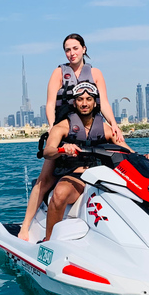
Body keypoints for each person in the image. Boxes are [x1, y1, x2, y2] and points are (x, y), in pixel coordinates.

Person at [18, 33, 123, 241]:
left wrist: (114, 125)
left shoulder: (96, 73)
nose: (71, 53)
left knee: (116, 154)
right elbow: (50, 103)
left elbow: (106, 103)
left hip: (91, 125)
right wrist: (52, 128)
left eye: (75, 48)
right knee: (45, 178)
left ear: (84, 49)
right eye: (67, 49)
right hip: (65, 127)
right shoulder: (59, 72)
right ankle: (25, 226)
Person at [41, 82, 149, 242]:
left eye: (88, 99)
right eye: (80, 99)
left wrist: (146, 158)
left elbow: (128, 152)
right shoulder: (62, 127)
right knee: (60, 194)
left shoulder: (105, 128)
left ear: (95, 102)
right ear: (74, 102)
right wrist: (62, 149)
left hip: (103, 178)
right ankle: (48, 241)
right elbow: (47, 152)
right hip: (76, 177)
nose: (84, 103)